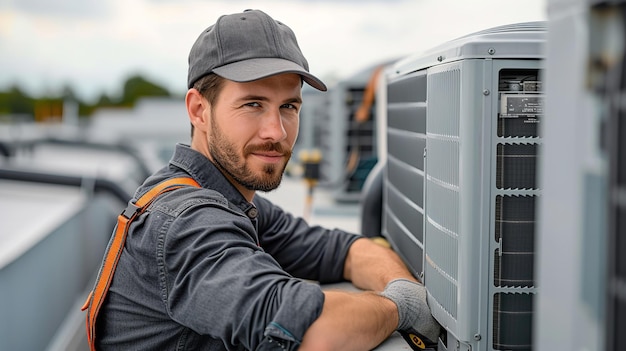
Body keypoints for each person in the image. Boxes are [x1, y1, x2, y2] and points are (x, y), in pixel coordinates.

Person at [91, 9, 440, 351]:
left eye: (289, 106)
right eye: (253, 104)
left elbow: (343, 251)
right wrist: (402, 308)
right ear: (199, 110)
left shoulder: (229, 198)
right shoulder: (187, 222)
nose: (276, 131)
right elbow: (316, 332)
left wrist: (399, 285)